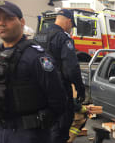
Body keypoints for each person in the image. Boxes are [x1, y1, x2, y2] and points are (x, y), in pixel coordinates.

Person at [0, 1, 66, 143]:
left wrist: (41, 123)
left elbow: (58, 99)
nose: (1, 23)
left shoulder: (36, 57)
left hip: (28, 134)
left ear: (22, 22)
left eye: (9, 18)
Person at [37, 9, 85, 143]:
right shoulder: (63, 38)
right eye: (71, 26)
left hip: (39, 90)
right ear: (69, 21)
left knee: (43, 126)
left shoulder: (39, 36)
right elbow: (72, 69)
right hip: (59, 90)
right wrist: (80, 89)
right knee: (60, 127)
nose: (71, 29)